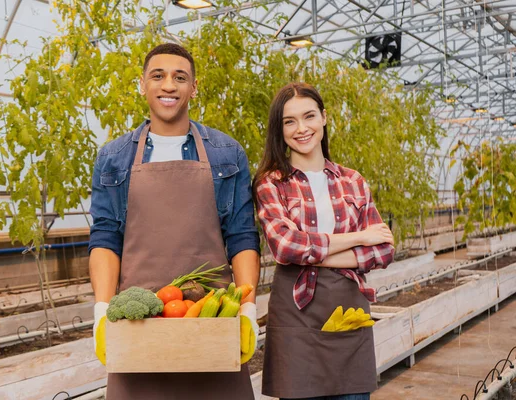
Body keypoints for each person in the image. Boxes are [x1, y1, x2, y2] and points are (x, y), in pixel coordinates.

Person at [88, 43, 261, 400]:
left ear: (193, 88)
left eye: (180, 77)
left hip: (212, 321)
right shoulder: (114, 158)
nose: (169, 85)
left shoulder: (226, 154)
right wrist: (103, 310)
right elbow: (105, 238)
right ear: (142, 85)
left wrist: (246, 307)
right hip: (138, 324)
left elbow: (243, 236)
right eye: (158, 76)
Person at [253, 82, 395, 400]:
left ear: (324, 118)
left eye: (309, 116)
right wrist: (359, 237)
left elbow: (384, 250)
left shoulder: (352, 181)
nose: (302, 128)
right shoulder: (271, 183)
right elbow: (286, 246)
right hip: (296, 319)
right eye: (290, 121)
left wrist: (315, 253)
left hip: (349, 310)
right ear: (280, 129)